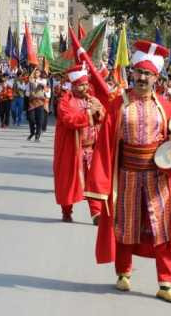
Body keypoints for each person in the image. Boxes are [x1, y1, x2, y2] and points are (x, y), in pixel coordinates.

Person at [86, 40, 171, 304]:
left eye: (148, 74)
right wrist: (101, 185)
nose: (142, 78)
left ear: (156, 77)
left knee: (161, 229)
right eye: (139, 72)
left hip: (157, 176)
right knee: (125, 226)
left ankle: (165, 283)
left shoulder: (165, 107)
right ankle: (123, 272)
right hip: (127, 174)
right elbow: (106, 141)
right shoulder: (118, 103)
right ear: (132, 73)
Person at [53, 64, 105, 223]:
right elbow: (70, 120)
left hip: (91, 150)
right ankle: (66, 211)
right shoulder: (65, 102)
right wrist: (89, 114)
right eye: (81, 85)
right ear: (74, 85)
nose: (85, 87)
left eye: (86, 84)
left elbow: (102, 115)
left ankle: (96, 213)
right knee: (69, 182)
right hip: (72, 150)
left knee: (94, 182)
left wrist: (99, 112)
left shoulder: (92, 99)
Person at [26, 76, 47, 142]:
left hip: (40, 104)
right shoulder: (30, 84)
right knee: (31, 119)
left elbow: (46, 94)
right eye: (35, 73)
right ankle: (32, 132)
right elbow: (27, 94)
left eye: (37, 73)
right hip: (32, 104)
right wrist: (32, 94)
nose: (36, 74)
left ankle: (37, 136)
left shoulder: (43, 81)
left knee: (39, 121)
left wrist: (37, 95)